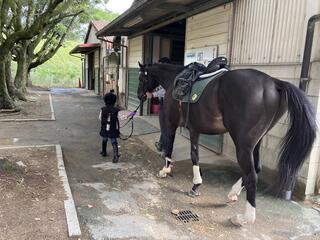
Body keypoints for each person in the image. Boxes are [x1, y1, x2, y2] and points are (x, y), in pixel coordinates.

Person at [146, 57, 171, 156]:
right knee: (165, 127)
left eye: (160, 65)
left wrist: (153, 95)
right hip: (165, 104)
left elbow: (167, 90)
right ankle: (161, 144)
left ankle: (166, 150)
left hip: (166, 105)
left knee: (165, 128)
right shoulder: (165, 75)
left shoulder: (169, 76)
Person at [99, 91, 120, 163]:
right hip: (113, 129)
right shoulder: (117, 110)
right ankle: (116, 156)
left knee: (104, 139)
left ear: (105, 100)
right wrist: (131, 115)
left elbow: (100, 118)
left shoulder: (103, 109)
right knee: (114, 141)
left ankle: (104, 152)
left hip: (105, 129)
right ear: (114, 101)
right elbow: (120, 118)